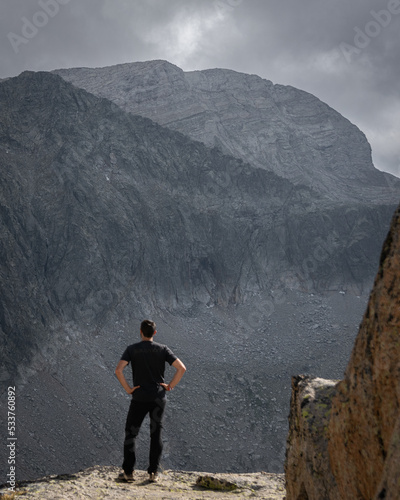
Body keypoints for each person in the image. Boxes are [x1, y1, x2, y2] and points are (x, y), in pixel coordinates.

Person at [115, 319, 186, 483]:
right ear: (155, 333)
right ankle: (153, 472)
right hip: (158, 398)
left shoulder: (132, 349)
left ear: (140, 332)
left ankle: (128, 472)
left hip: (139, 397)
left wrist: (128, 388)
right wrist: (169, 386)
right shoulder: (163, 349)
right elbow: (182, 368)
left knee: (131, 432)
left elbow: (118, 370)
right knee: (156, 433)